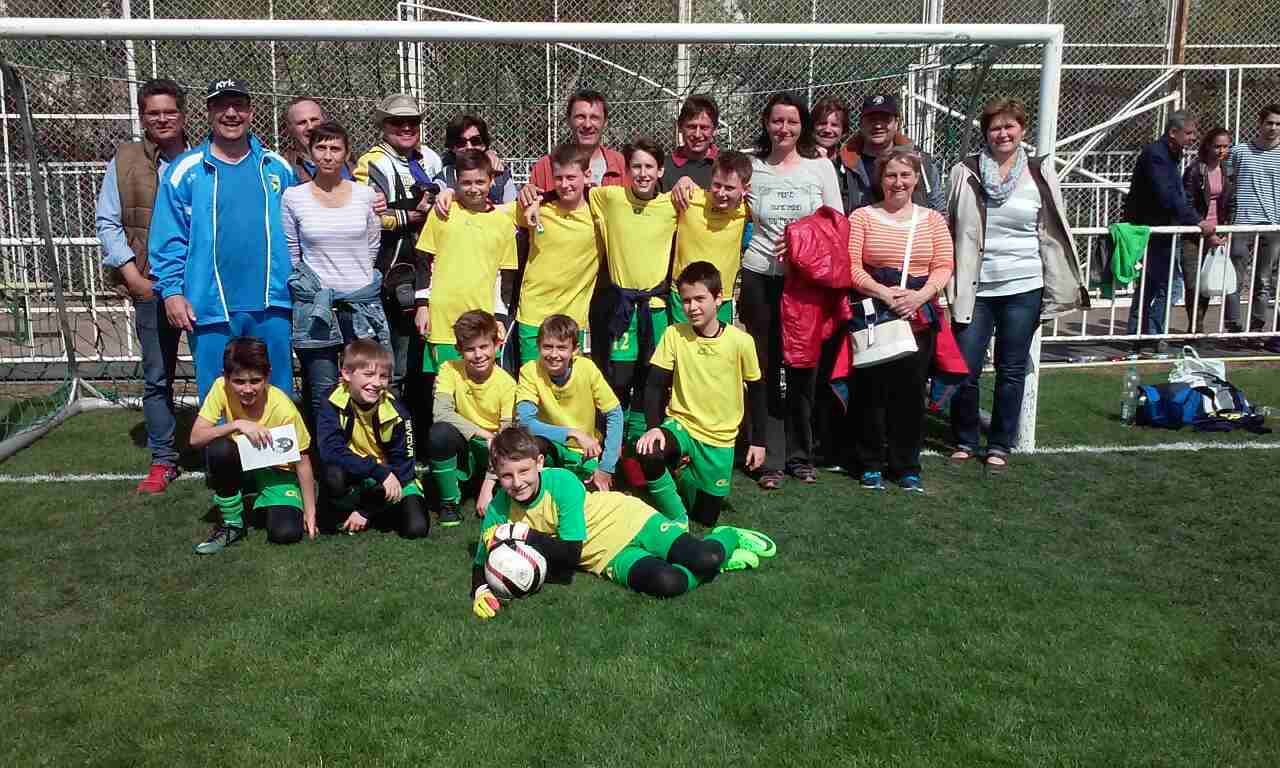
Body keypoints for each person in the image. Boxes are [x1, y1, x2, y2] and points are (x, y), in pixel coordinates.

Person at [469, 426, 776, 619]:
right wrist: (481, 589)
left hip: (631, 519)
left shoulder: (561, 482)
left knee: (704, 557)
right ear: (496, 474)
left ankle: (727, 536)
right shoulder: (499, 507)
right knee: (669, 583)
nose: (517, 482)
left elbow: (571, 554)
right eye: (506, 475)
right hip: (608, 558)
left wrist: (522, 533)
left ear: (538, 463)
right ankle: (717, 565)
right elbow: (482, 559)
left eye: (523, 471)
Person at [946, 98, 1086, 471]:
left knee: (1010, 369)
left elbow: (1053, 230)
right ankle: (964, 438)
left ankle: (1000, 444)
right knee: (965, 368)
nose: (1003, 134)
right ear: (985, 132)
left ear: (1022, 129)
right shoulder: (965, 171)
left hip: (1025, 286)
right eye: (995, 127)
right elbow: (952, 226)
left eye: (1009, 126)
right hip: (976, 289)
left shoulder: (1040, 172)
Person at [149, 78, 296, 402]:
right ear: (209, 112)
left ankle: (280, 441)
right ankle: (222, 440)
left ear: (251, 112)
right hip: (210, 307)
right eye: (222, 106)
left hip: (273, 304)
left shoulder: (276, 167)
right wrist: (172, 291)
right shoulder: (185, 170)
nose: (231, 113)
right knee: (218, 400)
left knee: (277, 397)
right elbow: (168, 238)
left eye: (238, 106)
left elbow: (303, 226)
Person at [738, 93, 841, 489]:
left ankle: (801, 454)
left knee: (802, 368)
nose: (784, 128)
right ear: (766, 123)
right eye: (777, 121)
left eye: (792, 121)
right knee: (763, 368)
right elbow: (722, 198)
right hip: (760, 277)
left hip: (804, 283)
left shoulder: (821, 168)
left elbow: (836, 224)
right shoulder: (752, 167)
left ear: (803, 126)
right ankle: (768, 456)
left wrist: (802, 240)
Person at [95, 78, 190, 494]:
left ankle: (225, 453)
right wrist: (133, 276)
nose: (162, 119)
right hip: (152, 285)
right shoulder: (126, 158)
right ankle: (163, 459)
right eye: (154, 113)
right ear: (142, 116)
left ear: (183, 114)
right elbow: (108, 221)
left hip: (202, 286)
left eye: (169, 111)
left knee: (220, 371)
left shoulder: (206, 157)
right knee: (157, 375)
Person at [848, 146, 954, 493]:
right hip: (874, 312)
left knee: (910, 394)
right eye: (891, 175)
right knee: (871, 392)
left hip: (918, 314)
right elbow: (852, 266)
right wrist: (883, 293)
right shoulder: (862, 217)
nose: (898, 182)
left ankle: (906, 465)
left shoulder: (933, 220)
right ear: (881, 179)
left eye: (905, 175)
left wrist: (920, 297)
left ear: (916, 179)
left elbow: (944, 265)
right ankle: (870, 463)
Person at [635, 261, 767, 527]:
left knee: (707, 518)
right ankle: (677, 518)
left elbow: (757, 393)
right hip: (681, 426)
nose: (692, 307)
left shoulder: (741, 342)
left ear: (718, 299)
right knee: (650, 450)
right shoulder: (674, 334)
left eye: (699, 299)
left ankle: (682, 472)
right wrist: (654, 428)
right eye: (686, 301)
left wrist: (758, 442)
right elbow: (654, 386)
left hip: (719, 438)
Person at [283, 120, 388, 426]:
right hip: (317, 309)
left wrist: (354, 280)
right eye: (321, 148)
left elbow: (372, 245)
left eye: (335, 148)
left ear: (346, 153)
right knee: (323, 391)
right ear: (310, 151)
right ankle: (328, 452)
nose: (328, 155)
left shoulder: (366, 195)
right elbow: (293, 251)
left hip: (360, 306)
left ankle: (366, 447)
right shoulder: (294, 197)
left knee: (368, 387)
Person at [582, 138, 679, 443]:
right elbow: (576, 192)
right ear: (626, 170)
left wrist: (687, 181)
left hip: (655, 307)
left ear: (660, 170)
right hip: (622, 307)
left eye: (649, 166)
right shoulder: (609, 197)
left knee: (651, 379)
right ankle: (614, 443)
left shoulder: (672, 205)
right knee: (619, 379)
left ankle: (642, 445)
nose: (642, 173)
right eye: (636, 166)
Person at [353, 93, 443, 416]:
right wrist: (413, 215)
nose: (406, 127)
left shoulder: (430, 158)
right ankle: (393, 429)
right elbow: (369, 216)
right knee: (396, 361)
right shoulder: (371, 162)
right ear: (384, 125)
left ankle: (422, 429)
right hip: (393, 269)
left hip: (432, 266)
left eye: (412, 121)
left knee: (427, 361)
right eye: (397, 122)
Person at [188, 337, 317, 554]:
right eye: (239, 382)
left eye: (255, 381)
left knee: (285, 533)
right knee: (219, 448)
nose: (247, 389)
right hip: (242, 464)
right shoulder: (220, 388)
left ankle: (270, 500)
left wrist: (310, 513)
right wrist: (237, 424)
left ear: (268, 376)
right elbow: (195, 438)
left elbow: (303, 461)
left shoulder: (284, 408)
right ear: (225, 377)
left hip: (277, 472)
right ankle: (233, 524)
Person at [413, 149, 517, 377]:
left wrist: (499, 317)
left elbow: (505, 276)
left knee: (481, 388)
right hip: (442, 321)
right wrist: (422, 306)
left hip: (483, 323)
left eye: (480, 182)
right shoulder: (443, 211)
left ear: (491, 180)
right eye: (466, 182)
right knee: (443, 387)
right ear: (456, 181)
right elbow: (424, 260)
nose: (473, 188)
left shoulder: (503, 222)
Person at [316, 338, 429, 539]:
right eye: (368, 374)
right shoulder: (331, 400)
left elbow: (404, 467)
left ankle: (369, 510)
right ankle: (350, 506)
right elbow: (329, 450)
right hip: (358, 471)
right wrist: (378, 472)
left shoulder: (397, 411)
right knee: (332, 476)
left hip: (393, 475)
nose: (376, 383)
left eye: (383, 376)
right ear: (346, 374)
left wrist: (367, 509)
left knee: (416, 528)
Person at [1123, 110, 1215, 343]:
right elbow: (1168, 196)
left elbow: (1175, 194)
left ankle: (1142, 334)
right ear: (1173, 132)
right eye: (1189, 133)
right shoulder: (1157, 154)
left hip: (1162, 228)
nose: (1193, 137)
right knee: (1166, 284)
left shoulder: (1170, 153)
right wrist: (1196, 220)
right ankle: (1150, 335)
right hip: (1154, 229)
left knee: (1155, 284)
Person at [509, 144, 599, 367]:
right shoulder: (536, 207)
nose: (564, 185)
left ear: (587, 175)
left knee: (572, 384)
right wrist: (449, 192)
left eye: (571, 177)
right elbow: (487, 210)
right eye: (559, 178)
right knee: (532, 382)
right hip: (533, 316)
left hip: (573, 321)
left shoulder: (599, 213)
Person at [426, 310, 515, 528]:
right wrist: (483, 433)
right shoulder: (449, 369)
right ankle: (449, 503)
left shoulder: (507, 384)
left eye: (484, 347)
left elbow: (505, 436)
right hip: (469, 442)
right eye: (470, 349)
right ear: (459, 350)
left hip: (493, 450)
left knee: (509, 446)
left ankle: (489, 483)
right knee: (439, 432)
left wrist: (487, 485)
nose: (478, 355)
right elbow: (441, 413)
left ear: (497, 345)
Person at [514, 314, 623, 491]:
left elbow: (614, 413)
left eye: (562, 348)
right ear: (538, 346)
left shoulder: (587, 368)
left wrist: (606, 466)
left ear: (575, 350)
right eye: (547, 347)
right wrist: (572, 433)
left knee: (590, 497)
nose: (554, 354)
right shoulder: (529, 371)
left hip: (584, 451)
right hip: (550, 445)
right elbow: (525, 422)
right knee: (532, 447)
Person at [667, 151, 752, 326]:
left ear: (745, 189)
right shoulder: (688, 199)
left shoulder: (748, 210)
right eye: (717, 185)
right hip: (684, 294)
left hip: (721, 297)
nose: (721, 193)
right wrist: (683, 180)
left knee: (718, 342)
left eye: (729, 188)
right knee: (683, 342)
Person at [1226, 105, 1280, 349]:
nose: (1273, 128)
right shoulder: (1239, 151)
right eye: (1269, 123)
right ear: (1260, 123)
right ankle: (1233, 327)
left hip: (1273, 226)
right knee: (1234, 278)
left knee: (1264, 280)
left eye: (1278, 124)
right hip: (1242, 223)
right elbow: (1226, 183)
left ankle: (1257, 328)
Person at [836, 94, 945, 214]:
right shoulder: (844, 164)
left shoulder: (920, 161)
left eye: (885, 119)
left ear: (896, 123)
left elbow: (938, 209)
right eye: (871, 119)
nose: (878, 126)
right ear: (861, 124)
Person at [522, 89, 627, 197]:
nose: (587, 125)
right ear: (569, 120)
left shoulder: (621, 165)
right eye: (580, 117)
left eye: (594, 118)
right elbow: (530, 203)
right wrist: (527, 195)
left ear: (605, 122)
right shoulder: (545, 167)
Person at [1181, 127, 1234, 334]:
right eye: (1217, 146)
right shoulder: (1196, 170)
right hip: (1194, 233)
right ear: (1208, 146)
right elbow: (1187, 202)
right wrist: (1204, 229)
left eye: (1225, 146)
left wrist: (1225, 230)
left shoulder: (1228, 170)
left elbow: (1232, 202)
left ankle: (1198, 324)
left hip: (1217, 232)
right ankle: (1194, 325)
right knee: (1192, 283)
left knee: (1208, 282)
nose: (1221, 151)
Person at [435, 113, 516, 204]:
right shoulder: (445, 177)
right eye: (461, 143)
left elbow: (512, 208)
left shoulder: (500, 177)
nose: (469, 147)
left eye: (475, 141)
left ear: (484, 145)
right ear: (452, 147)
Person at [280, 96, 353, 182]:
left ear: (325, 121)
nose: (310, 127)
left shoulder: (350, 162)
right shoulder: (284, 168)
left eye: (314, 120)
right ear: (289, 129)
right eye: (302, 123)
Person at [660, 94, 721, 190]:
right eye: (691, 127)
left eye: (704, 128)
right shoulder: (663, 168)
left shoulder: (728, 165)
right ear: (680, 127)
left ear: (715, 130)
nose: (697, 134)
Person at [812, 95, 848, 160]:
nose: (827, 130)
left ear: (843, 130)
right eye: (822, 123)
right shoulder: (799, 159)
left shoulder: (848, 161)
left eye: (834, 125)